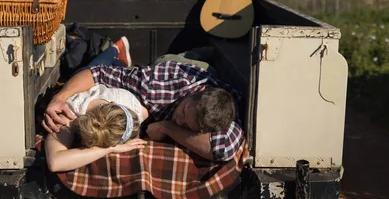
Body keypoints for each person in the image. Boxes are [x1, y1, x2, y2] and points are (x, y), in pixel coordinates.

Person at [43, 37, 245, 163]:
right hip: (175, 65)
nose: (180, 121)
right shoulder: (155, 84)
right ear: (193, 93)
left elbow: (222, 149)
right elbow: (97, 73)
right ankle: (115, 50)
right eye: (183, 113)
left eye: (188, 126)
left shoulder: (231, 111)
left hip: (215, 81)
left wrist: (168, 127)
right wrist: (59, 98)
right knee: (178, 59)